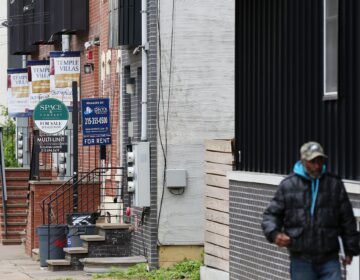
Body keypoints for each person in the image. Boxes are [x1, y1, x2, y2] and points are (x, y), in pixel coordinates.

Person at [261, 141, 360, 280]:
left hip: (330, 259)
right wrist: (275, 234)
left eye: (320, 160)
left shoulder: (334, 184)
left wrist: (350, 249)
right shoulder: (288, 185)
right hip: (301, 259)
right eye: (312, 161)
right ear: (303, 161)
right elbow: (271, 215)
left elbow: (347, 219)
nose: (317, 165)